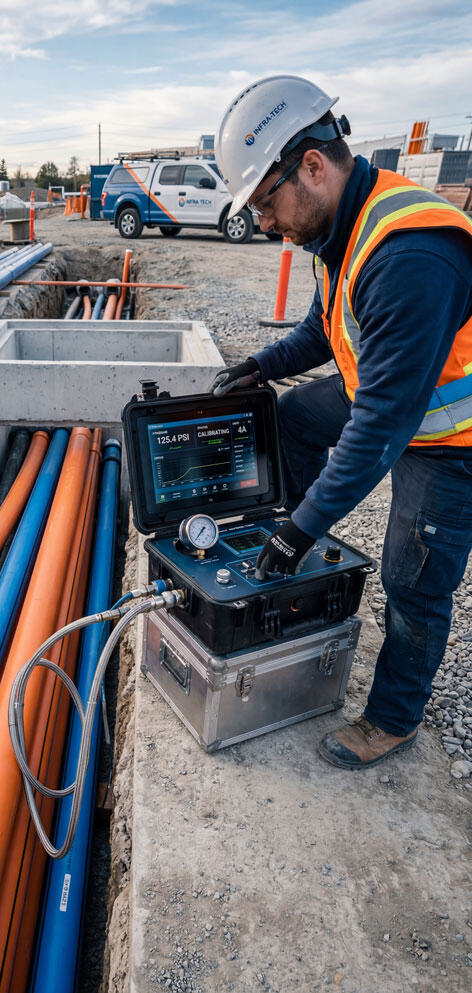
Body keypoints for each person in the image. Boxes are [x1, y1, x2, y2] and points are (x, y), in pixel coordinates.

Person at [212, 75, 472, 769]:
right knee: (294, 414)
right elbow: (326, 328)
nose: (264, 224)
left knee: (413, 574)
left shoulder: (410, 255)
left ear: (313, 166)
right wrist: (262, 366)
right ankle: (302, 570)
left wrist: (294, 534)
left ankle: (394, 717)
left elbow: (380, 432)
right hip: (393, 396)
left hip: (451, 433)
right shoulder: (344, 223)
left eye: (266, 202)